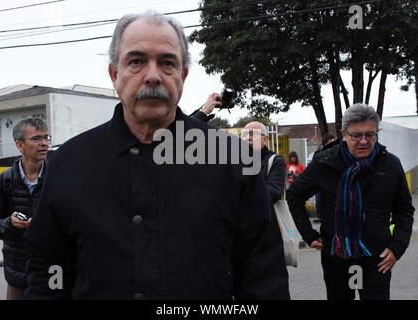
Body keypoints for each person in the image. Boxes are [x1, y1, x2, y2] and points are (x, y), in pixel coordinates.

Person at [22, 11, 290, 300]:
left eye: (167, 63)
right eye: (136, 61)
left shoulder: (233, 160)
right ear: (115, 74)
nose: (152, 75)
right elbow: (47, 269)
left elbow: (264, 275)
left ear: (183, 76)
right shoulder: (69, 164)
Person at [286, 103, 414, 300]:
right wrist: (308, 233)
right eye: (356, 135)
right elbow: (294, 195)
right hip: (336, 259)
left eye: (370, 135)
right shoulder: (324, 162)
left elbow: (404, 211)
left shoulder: (390, 164)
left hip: (377, 259)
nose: (364, 141)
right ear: (344, 134)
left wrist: (397, 247)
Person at [0, 118, 49, 300]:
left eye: (46, 137)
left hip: (52, 266)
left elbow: (72, 219)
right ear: (20, 145)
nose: (44, 143)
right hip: (17, 269)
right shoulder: (3, 181)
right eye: (36, 139)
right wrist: (10, 224)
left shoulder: (58, 176)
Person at [241, 121, 285, 203]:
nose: (248, 138)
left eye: (253, 134)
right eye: (244, 134)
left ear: (265, 139)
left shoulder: (276, 161)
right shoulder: (234, 161)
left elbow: (272, 194)